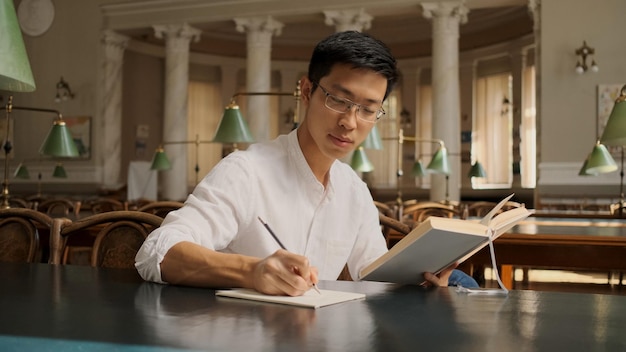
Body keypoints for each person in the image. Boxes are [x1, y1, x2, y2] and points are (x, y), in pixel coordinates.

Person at [135, 31, 477, 296]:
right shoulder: (245, 171)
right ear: (306, 90)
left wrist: (422, 279)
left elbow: (373, 277)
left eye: (368, 109)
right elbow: (156, 253)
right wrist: (250, 271)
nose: (350, 122)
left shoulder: (354, 191)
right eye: (339, 100)